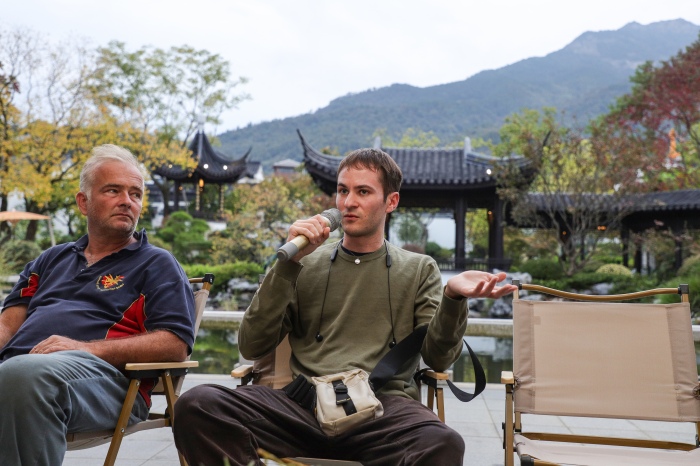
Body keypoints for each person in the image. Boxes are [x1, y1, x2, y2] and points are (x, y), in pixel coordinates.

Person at [173, 148, 516, 465]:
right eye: (342, 191)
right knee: (198, 405)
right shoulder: (305, 262)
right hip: (301, 408)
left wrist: (453, 298)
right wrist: (287, 266)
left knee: (443, 443)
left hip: (383, 412)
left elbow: (439, 359)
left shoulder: (419, 269)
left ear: (391, 201)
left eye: (363, 192)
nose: (348, 202)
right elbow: (251, 345)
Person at [0, 144, 196, 466]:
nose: (127, 201)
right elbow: (7, 325)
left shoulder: (157, 264)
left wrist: (84, 348)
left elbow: (175, 345)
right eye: (113, 190)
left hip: (107, 383)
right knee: (16, 374)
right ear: (83, 202)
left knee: (23, 376)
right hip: (17, 371)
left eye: (135, 194)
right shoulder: (51, 259)